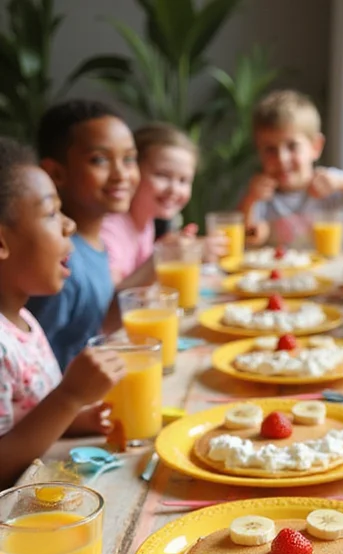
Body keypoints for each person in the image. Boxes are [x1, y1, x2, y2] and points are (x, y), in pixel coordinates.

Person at [0, 137, 125, 489]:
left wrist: (76, 416)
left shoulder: (23, 320)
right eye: (52, 213)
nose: (69, 225)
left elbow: (27, 416)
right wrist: (69, 397)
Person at [27, 99, 140, 369]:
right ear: (56, 173)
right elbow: (31, 364)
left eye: (129, 159)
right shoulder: (62, 263)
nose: (121, 174)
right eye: (99, 160)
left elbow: (94, 326)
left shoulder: (94, 241)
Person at [238, 89, 343, 248]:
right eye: (270, 150)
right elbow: (249, 237)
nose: (282, 159)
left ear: (316, 147)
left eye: (292, 146)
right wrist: (250, 200)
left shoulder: (332, 183)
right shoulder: (259, 195)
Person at [100, 122, 225, 286]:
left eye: (183, 180)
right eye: (162, 175)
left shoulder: (147, 222)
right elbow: (111, 299)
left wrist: (184, 252)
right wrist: (164, 255)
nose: (174, 189)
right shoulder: (109, 228)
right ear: (132, 172)